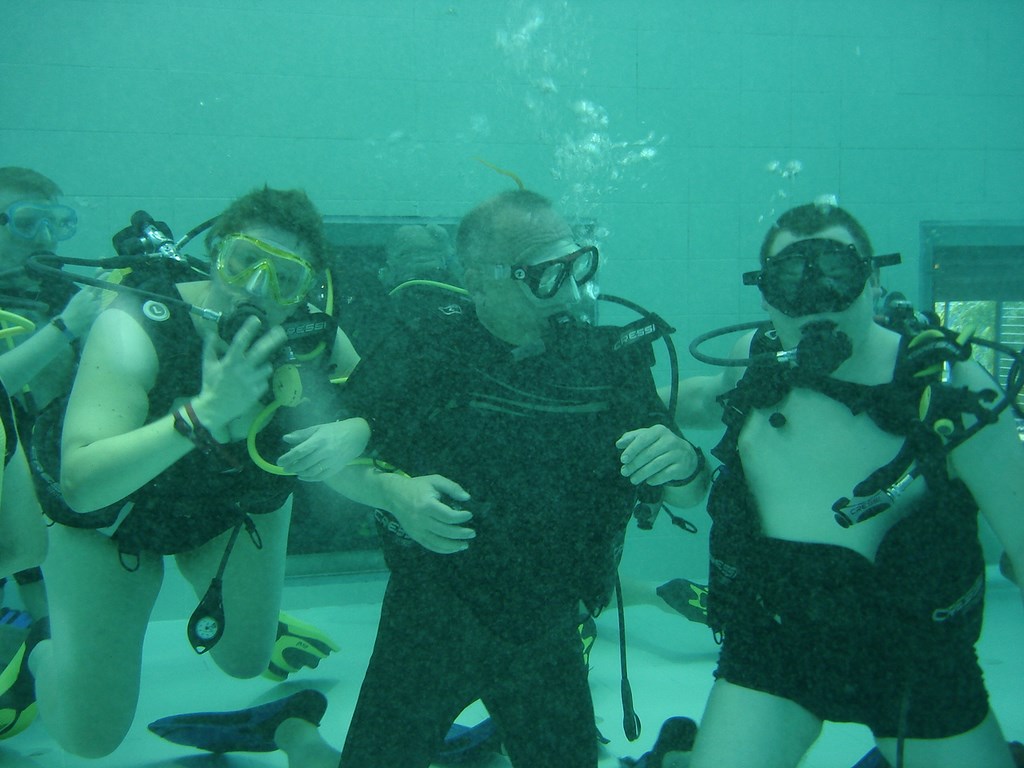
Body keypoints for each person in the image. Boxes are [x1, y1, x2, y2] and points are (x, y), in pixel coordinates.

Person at [147, 188, 709, 768]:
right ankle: (296, 733)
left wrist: (687, 463)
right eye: (545, 274)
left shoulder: (611, 361)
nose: (570, 291)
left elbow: (691, 494)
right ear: (480, 281)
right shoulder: (425, 347)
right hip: (429, 619)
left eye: (578, 265)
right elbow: (330, 452)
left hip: (549, 627)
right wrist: (393, 489)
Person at [0, 186, 369, 756]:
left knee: (245, 661)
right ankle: (45, 650)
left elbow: (386, 407)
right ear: (216, 253)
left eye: (284, 278)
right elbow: (83, 483)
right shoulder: (137, 323)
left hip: (223, 506)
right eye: (244, 261)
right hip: (108, 520)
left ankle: (224, 597)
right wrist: (205, 413)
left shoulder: (314, 340)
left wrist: (357, 430)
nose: (256, 290)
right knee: (90, 738)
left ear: (307, 291)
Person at [675, 202, 1024, 768]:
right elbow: (703, 399)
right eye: (792, 280)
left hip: (916, 658)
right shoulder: (756, 362)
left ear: (874, 280)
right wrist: (626, 407)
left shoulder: (949, 390)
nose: (817, 300)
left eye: (838, 274)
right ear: (765, 297)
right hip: (776, 641)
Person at [0, 167, 107, 626]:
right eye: (27, 222)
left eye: (55, 222)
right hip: (8, 468)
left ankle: (43, 646)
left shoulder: (63, 293)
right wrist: (66, 328)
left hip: (48, 469)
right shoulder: (69, 310)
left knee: (50, 594)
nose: (44, 238)